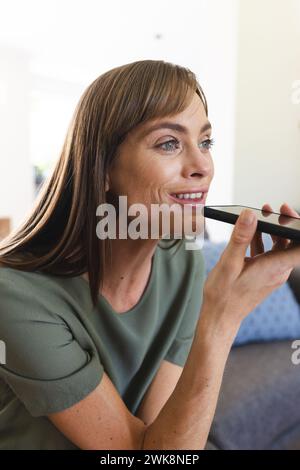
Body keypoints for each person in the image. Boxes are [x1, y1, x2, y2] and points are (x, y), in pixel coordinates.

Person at [0, 59, 300, 450]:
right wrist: (223, 318)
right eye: (169, 143)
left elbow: (162, 441)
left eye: (205, 142)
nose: (203, 166)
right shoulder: (16, 295)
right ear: (103, 168)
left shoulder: (182, 261)